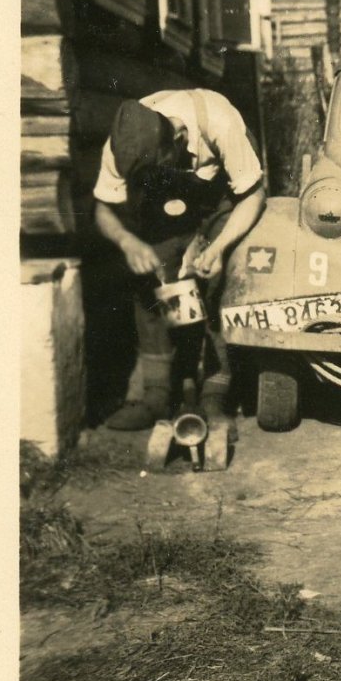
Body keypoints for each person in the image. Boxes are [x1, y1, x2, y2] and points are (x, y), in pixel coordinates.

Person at [93, 89, 265, 431]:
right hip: (166, 210)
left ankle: (216, 392)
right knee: (153, 280)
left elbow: (253, 195)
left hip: (223, 202)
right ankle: (157, 395)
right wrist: (128, 241)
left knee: (218, 283)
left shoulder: (219, 122)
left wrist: (216, 248)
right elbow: (103, 209)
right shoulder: (120, 143)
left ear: (180, 138)